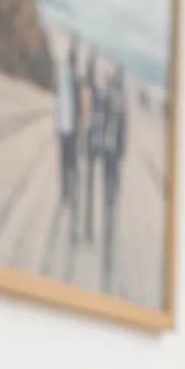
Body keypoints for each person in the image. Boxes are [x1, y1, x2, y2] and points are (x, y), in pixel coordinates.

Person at [101, 65, 128, 288]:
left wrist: (121, 152)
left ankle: (111, 202)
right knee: (107, 180)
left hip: (114, 152)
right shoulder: (109, 101)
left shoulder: (121, 107)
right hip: (107, 150)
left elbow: (124, 132)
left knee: (113, 182)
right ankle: (108, 201)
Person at [55, 39, 80, 220]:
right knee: (67, 162)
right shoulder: (66, 80)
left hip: (69, 128)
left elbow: (67, 105)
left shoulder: (71, 81)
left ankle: (69, 191)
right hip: (66, 127)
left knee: (69, 162)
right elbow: (60, 104)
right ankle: (67, 192)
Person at [83, 54, 106, 243]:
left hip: (94, 148)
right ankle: (86, 226)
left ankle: (89, 227)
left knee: (90, 188)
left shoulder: (100, 97)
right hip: (88, 145)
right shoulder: (90, 92)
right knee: (86, 188)